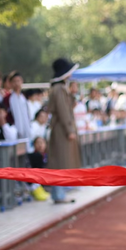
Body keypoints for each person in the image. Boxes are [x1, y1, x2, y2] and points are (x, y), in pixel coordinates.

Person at [47, 58, 81, 204]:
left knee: (59, 162)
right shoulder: (59, 89)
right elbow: (63, 111)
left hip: (60, 128)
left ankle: (59, 193)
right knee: (60, 162)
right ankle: (58, 194)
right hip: (61, 130)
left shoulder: (59, 88)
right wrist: (69, 129)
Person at [2, 71, 31, 139]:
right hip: (13, 131)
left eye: (18, 81)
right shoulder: (8, 98)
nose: (17, 84)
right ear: (10, 83)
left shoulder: (23, 98)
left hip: (26, 130)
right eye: (14, 81)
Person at [27, 137, 50, 201]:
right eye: (38, 143)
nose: (40, 145)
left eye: (42, 143)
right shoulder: (33, 156)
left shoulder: (49, 156)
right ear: (34, 145)